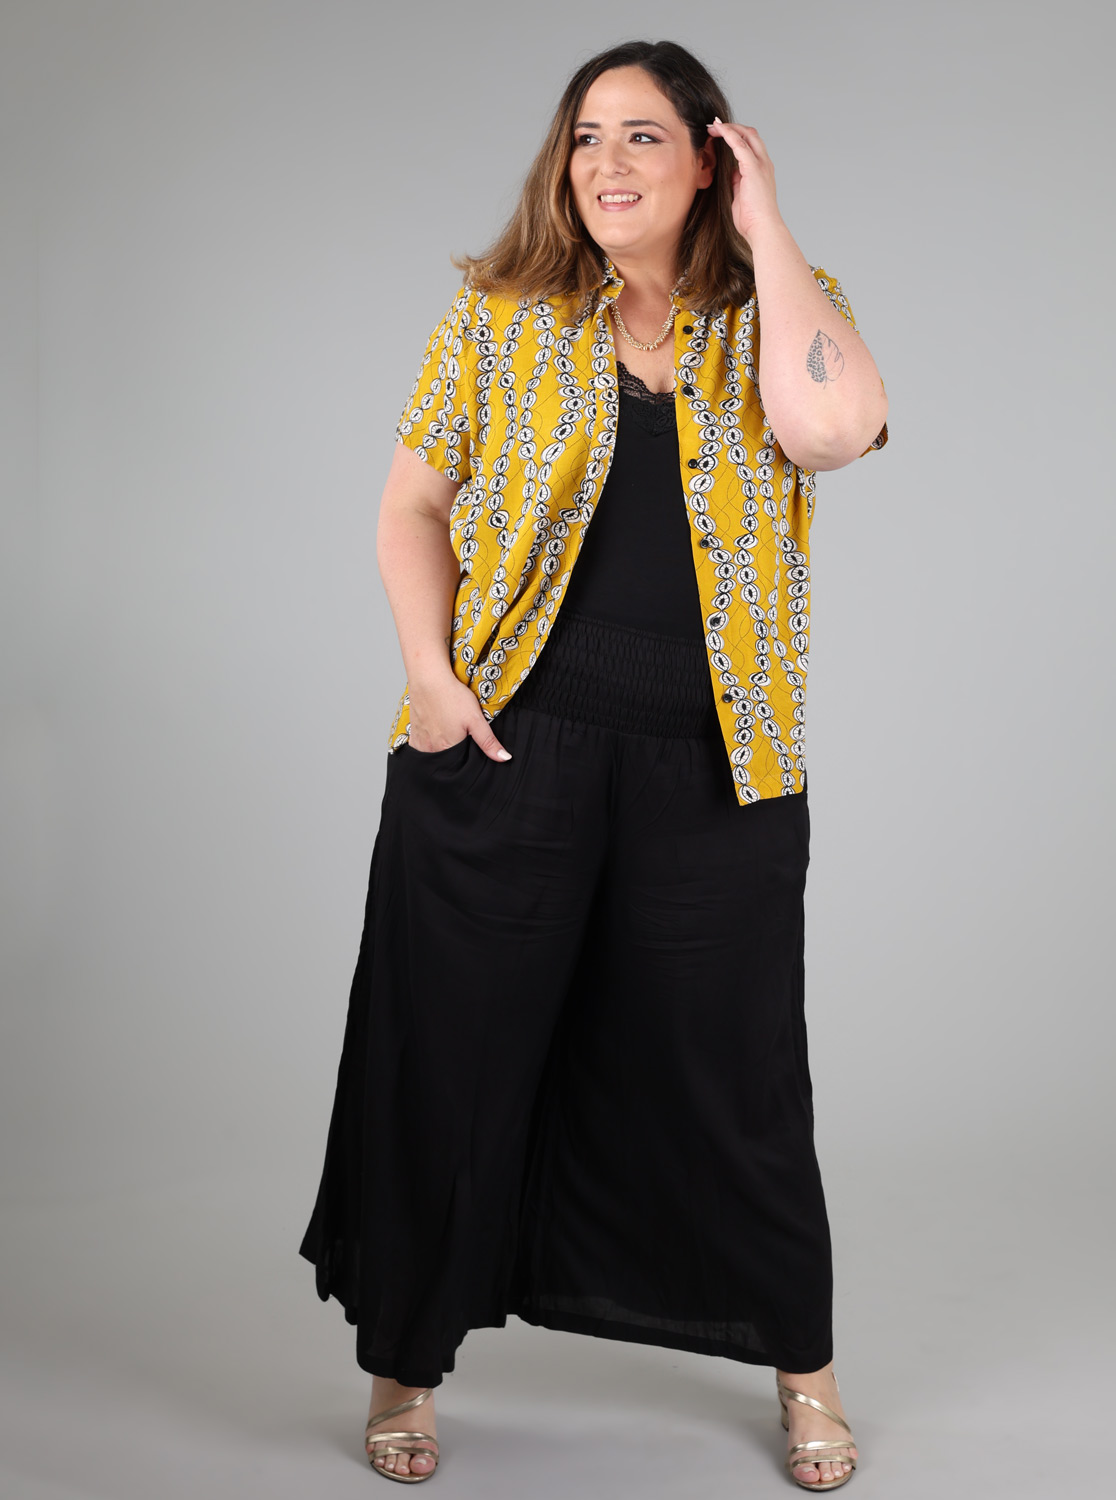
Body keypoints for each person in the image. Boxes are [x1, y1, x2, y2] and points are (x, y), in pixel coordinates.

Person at [298, 37, 888, 1490]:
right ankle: (403, 1364)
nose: (606, 163)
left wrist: (767, 226)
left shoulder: (783, 310)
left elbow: (835, 430)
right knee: (453, 1060)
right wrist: (432, 683)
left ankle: (806, 1373)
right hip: (511, 747)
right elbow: (409, 508)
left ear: (709, 157)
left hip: (717, 766)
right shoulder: (499, 315)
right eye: (584, 137)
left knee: (738, 1078)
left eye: (642, 136)